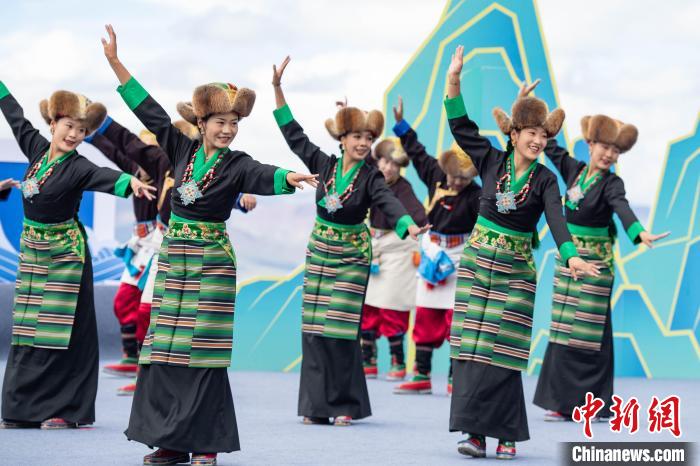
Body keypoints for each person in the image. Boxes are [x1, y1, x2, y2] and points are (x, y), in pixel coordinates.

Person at [102, 25, 317, 465]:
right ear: (201, 123)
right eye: (221, 122)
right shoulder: (179, 148)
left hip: (212, 263)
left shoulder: (237, 164)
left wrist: (288, 176)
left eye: (235, 123)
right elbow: (150, 111)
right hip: (174, 259)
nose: (229, 130)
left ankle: (205, 444)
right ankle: (171, 441)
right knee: (166, 348)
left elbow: (262, 173)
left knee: (202, 351)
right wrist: (116, 64)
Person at [443, 45, 598, 459]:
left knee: (503, 352)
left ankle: (506, 433)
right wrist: (454, 79)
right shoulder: (490, 159)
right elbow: (460, 125)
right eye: (531, 132)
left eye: (544, 135)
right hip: (478, 264)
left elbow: (557, 218)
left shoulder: (546, 180)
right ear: (513, 135)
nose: (538, 140)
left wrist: (571, 254)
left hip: (515, 272)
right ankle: (475, 434)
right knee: (471, 348)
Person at [271, 56, 429, 427]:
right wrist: (277, 89)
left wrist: (407, 224)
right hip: (320, 251)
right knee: (314, 329)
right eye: (357, 137)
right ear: (342, 139)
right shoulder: (324, 164)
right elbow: (293, 135)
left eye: (368, 138)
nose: (363, 143)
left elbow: (389, 202)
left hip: (352, 256)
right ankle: (316, 406)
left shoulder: (371, 177)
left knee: (340, 330)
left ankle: (344, 404)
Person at [0, 78, 154, 430]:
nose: (74, 135)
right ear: (53, 123)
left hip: (66, 257)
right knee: (28, 329)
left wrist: (130, 182)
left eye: (82, 130)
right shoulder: (36, 148)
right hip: (34, 254)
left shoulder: (78, 166)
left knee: (63, 332)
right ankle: (22, 407)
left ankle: (67, 408)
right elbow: (16, 117)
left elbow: (103, 175)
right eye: (69, 126)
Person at [532, 81, 669, 422]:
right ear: (590, 144)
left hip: (595, 267)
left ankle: (591, 404)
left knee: (590, 333)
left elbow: (622, 208)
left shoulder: (612, 184)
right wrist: (527, 104)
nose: (609, 155)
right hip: (569, 261)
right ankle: (561, 401)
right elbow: (550, 146)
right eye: (605, 147)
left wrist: (639, 232)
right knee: (562, 328)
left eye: (616, 151)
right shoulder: (574, 170)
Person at [389, 96, 481, 395]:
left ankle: (456, 378)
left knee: (459, 321)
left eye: (463, 180)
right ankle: (422, 374)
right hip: (432, 253)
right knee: (426, 315)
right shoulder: (435, 174)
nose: (456, 183)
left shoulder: (477, 195)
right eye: (454, 177)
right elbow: (416, 152)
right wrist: (401, 125)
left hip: (460, 257)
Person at [361, 137, 427, 381]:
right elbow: (361, 154)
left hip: (397, 249)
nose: (388, 168)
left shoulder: (403, 188)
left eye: (394, 164)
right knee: (367, 306)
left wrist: (418, 226)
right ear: (377, 161)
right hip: (373, 246)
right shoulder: (370, 177)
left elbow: (418, 215)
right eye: (385, 162)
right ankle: (367, 358)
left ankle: (397, 361)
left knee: (393, 306)